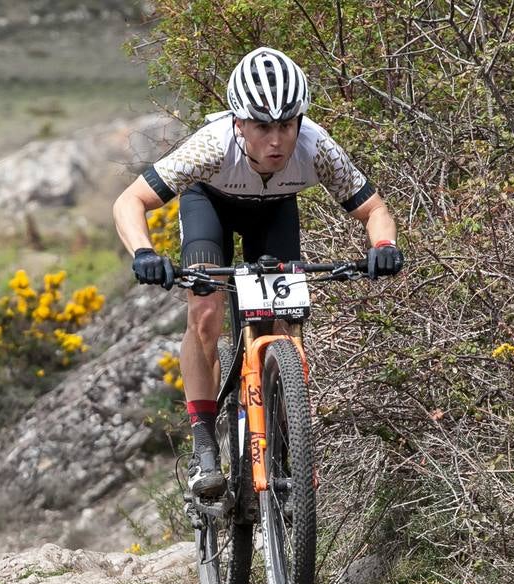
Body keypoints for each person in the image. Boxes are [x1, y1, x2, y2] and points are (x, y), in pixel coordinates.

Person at [112, 46, 405, 498]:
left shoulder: (316, 146)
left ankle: (286, 436)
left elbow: (375, 210)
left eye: (287, 126)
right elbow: (129, 202)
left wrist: (383, 246)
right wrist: (144, 254)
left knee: (285, 323)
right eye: (262, 127)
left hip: (274, 213)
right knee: (205, 314)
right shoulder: (210, 147)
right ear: (238, 123)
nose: (277, 141)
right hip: (210, 206)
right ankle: (205, 443)